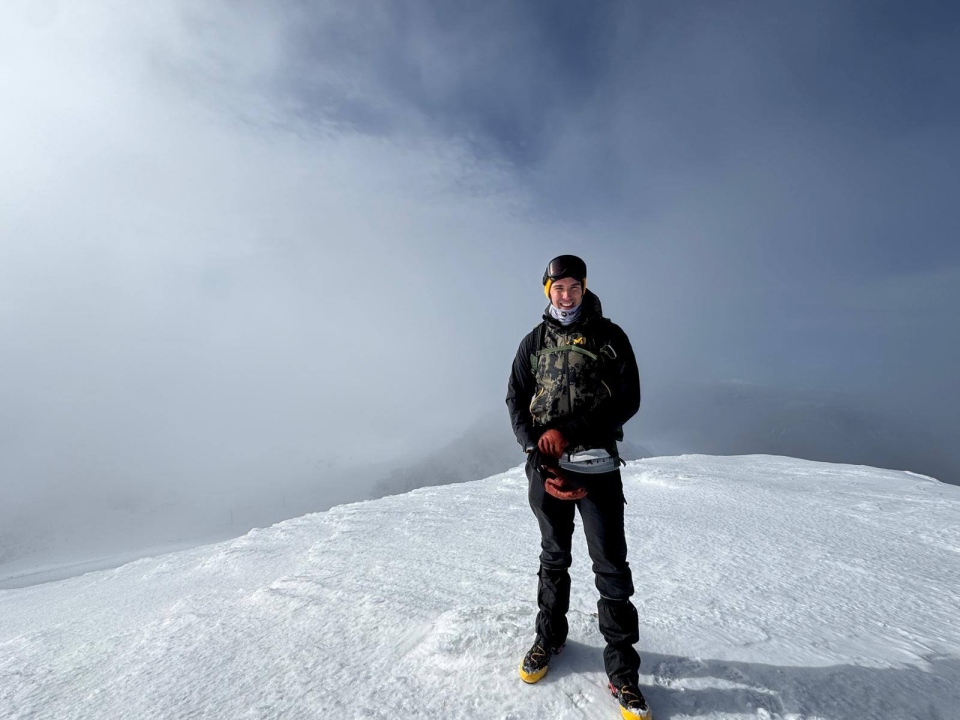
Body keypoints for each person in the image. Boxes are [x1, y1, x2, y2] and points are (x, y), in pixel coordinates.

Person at [505, 255, 649, 720]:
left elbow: (628, 399)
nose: (566, 296)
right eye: (558, 288)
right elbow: (515, 398)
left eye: (573, 287)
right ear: (547, 290)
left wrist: (567, 431)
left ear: (584, 288)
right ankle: (548, 638)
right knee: (553, 557)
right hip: (545, 466)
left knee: (610, 567)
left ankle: (623, 672)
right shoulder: (533, 342)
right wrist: (535, 447)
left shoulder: (609, 337)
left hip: (596, 466)